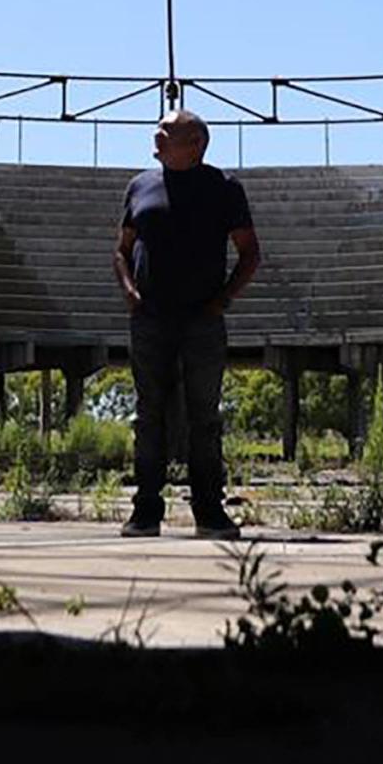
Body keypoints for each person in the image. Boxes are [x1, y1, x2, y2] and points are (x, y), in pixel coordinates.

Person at [113, 108, 261, 538]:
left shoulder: (224, 188)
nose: (155, 137)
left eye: (165, 132)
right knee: (148, 415)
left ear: (195, 144)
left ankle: (209, 512)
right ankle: (145, 512)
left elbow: (250, 252)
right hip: (150, 317)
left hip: (201, 318)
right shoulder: (139, 186)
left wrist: (222, 300)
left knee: (204, 417)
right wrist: (129, 293)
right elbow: (121, 248)